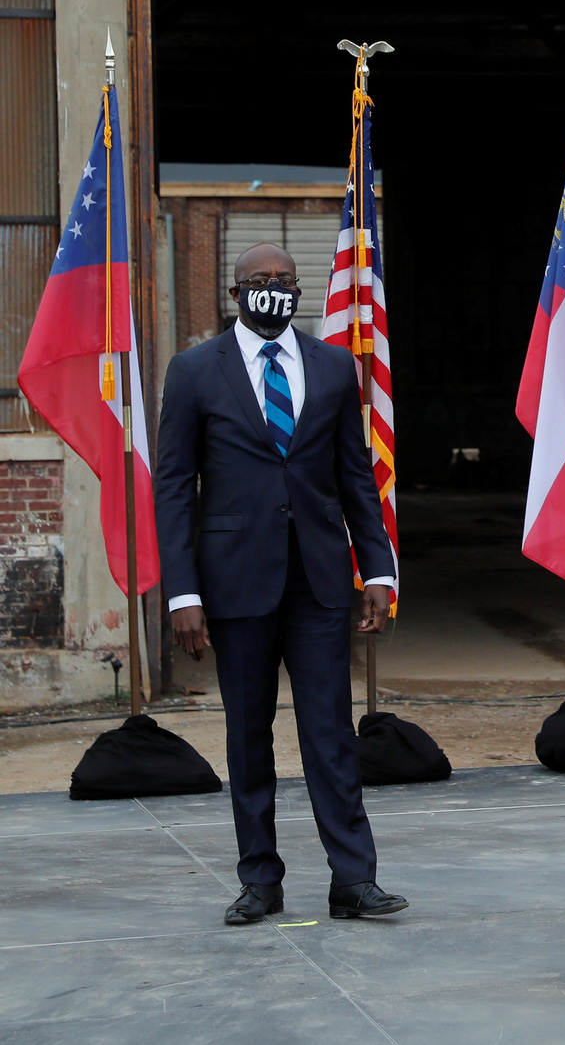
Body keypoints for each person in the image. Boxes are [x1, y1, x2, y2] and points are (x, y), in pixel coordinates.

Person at [154, 243, 407, 925]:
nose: (274, 289)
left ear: (301, 290)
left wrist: (377, 569)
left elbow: (356, 475)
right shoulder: (193, 371)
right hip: (234, 583)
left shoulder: (331, 367)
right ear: (235, 293)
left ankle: (353, 880)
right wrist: (182, 593)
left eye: (286, 281)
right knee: (249, 734)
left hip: (320, 580)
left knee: (330, 731)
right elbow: (175, 488)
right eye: (260, 281)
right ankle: (259, 880)